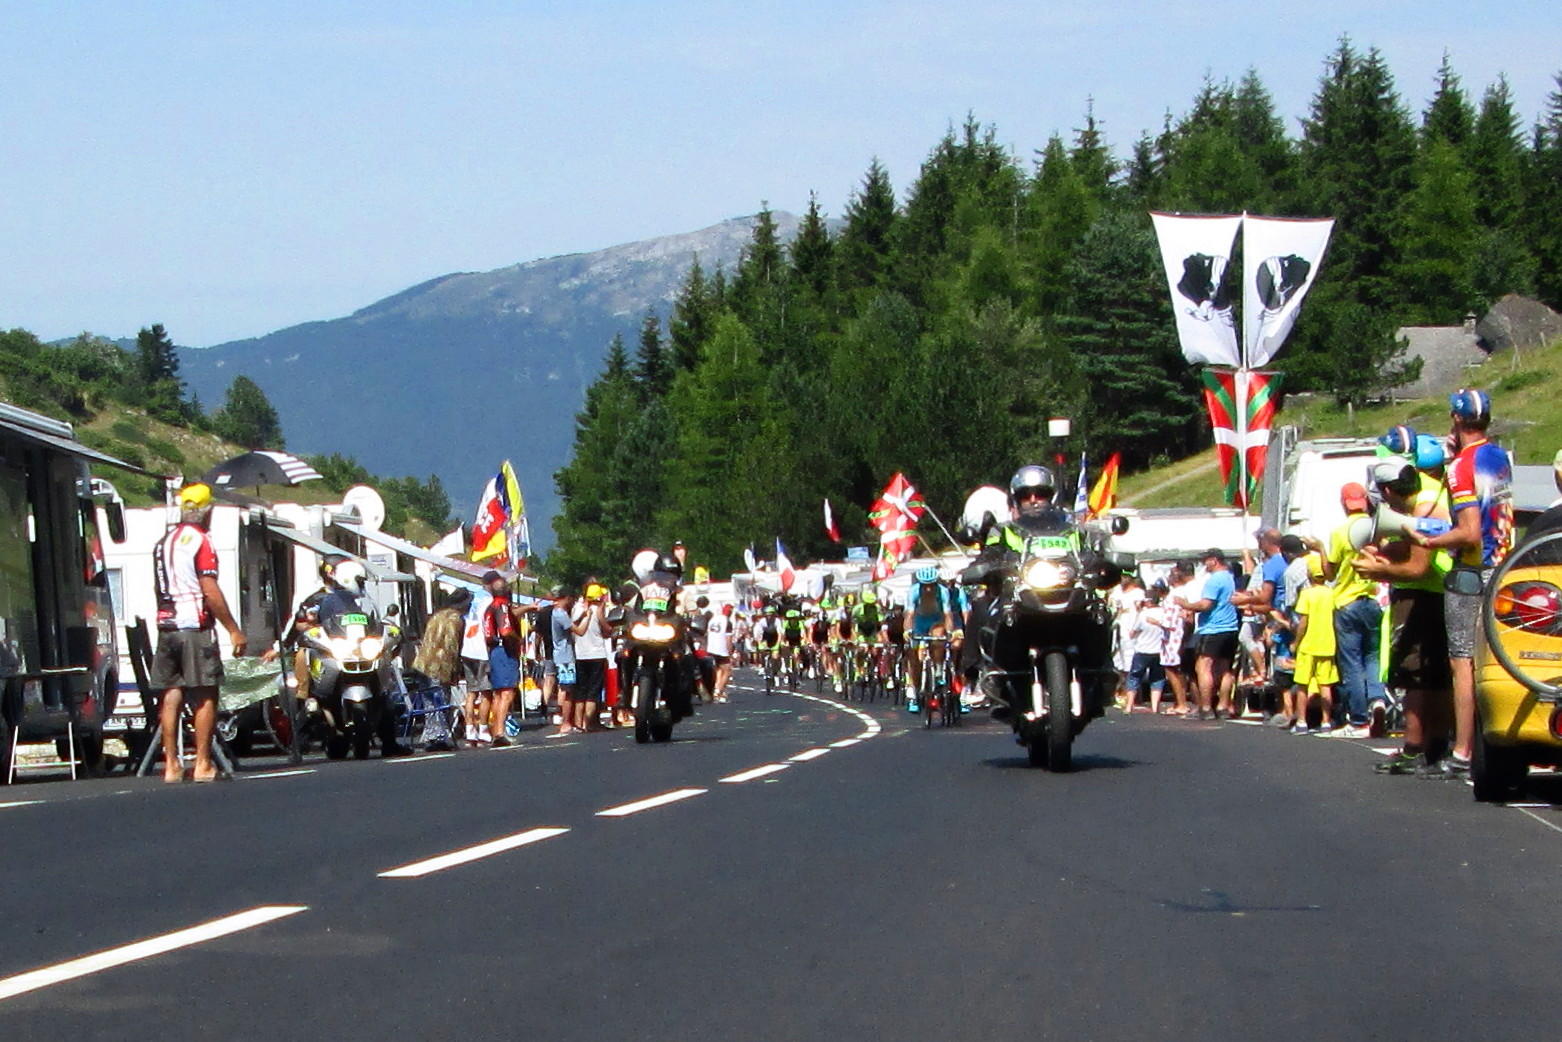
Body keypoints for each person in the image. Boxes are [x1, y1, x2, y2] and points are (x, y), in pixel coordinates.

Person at [1412, 388, 1514, 778]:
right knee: (1491, 658)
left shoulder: (1460, 467)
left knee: (1463, 662)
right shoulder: (1498, 456)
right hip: (1503, 561)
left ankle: (1462, 750)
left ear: (1456, 420)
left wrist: (1433, 539)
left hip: (1473, 568)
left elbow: (1470, 532)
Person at [1356, 459, 1454, 775]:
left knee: (1414, 675)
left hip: (1422, 595)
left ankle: (1414, 749)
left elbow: (1417, 567)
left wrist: (1380, 569)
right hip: (1440, 592)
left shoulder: (1420, 510)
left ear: (1388, 491)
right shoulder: (1427, 490)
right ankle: (1436, 747)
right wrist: (1386, 552)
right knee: (1437, 675)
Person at [150, 483, 245, 783]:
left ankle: (171, 765)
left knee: (171, 693)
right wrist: (232, 629)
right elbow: (209, 589)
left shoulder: (163, 542)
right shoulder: (202, 541)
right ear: (207, 511)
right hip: (194, 626)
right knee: (205, 691)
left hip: (167, 624)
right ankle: (202, 763)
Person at [1308, 482, 1384, 736]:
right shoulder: (1377, 528)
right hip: (1372, 599)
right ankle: (1378, 698)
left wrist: (1319, 549)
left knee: (1352, 664)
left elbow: (1330, 573)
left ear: (1344, 504)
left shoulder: (1340, 532)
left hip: (1346, 601)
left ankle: (1359, 720)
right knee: (1373, 656)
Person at [1173, 548, 1240, 719]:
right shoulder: (1229, 577)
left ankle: (1206, 707)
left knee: (1203, 667)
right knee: (1225, 669)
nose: (1204, 565)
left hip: (1213, 628)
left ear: (1214, 560)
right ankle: (1223, 706)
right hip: (1230, 628)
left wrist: (1185, 604)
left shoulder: (1214, 580)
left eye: (1206, 561)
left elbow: (1205, 605)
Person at [411, 588, 469, 751]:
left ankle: (431, 734)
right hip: (440, 663)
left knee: (430, 702)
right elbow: (452, 645)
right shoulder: (455, 618)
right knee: (441, 700)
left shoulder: (437, 616)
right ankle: (439, 736)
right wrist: (456, 669)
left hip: (423, 662)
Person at [482, 577, 534, 747]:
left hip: (494, 650)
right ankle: (499, 732)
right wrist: (517, 638)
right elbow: (505, 630)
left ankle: (495, 730)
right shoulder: (502, 605)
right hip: (504, 650)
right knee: (507, 693)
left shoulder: (491, 607)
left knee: (498, 693)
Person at [1290, 553, 1338, 734]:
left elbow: (1303, 621)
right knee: (1326, 685)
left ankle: (1302, 721)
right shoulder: (1331, 593)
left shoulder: (1307, 594)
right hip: (1327, 643)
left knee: (1303, 684)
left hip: (1308, 644)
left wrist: (1296, 641)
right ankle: (1326, 721)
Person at [571, 578, 612, 731]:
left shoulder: (577, 608)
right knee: (593, 691)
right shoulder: (598, 610)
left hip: (580, 654)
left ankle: (578, 722)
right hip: (596, 654)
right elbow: (607, 630)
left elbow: (573, 626)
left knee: (581, 689)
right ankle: (588, 723)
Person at [1126, 582, 1168, 713]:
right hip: (1159, 651)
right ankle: (1155, 707)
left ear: (1147, 602)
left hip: (1142, 650)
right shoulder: (1164, 613)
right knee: (1157, 678)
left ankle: (1129, 706)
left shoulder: (1143, 615)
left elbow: (1133, 632)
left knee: (1134, 677)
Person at [1108, 572, 1145, 711]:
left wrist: (1136, 627)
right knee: (1118, 661)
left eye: (1126, 576)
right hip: (1117, 628)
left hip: (1130, 630)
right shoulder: (1117, 591)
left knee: (1130, 663)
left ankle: (1133, 696)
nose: (1123, 579)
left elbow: (1141, 610)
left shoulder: (1138, 593)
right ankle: (1122, 692)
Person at [550, 587, 578, 736]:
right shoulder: (560, 613)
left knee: (564, 688)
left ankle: (565, 719)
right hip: (565, 656)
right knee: (567, 690)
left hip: (561, 654)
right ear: (565, 597)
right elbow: (578, 630)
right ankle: (566, 722)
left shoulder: (556, 613)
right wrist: (587, 616)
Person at [706, 603, 735, 702]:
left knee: (718, 670)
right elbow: (728, 639)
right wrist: (730, 653)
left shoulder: (713, 620)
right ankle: (718, 691)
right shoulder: (727, 622)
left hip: (711, 648)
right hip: (721, 649)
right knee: (727, 670)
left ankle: (716, 689)